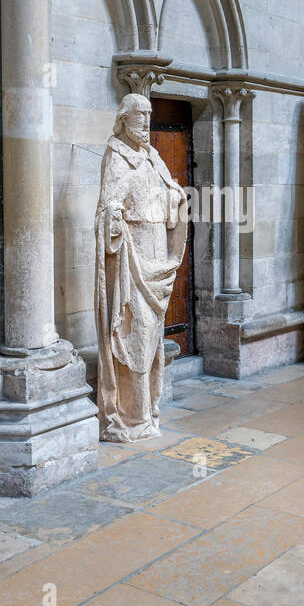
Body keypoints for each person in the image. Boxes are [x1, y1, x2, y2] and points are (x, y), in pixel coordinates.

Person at [95, 94, 188, 442]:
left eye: (150, 115)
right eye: (140, 116)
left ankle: (147, 411)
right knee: (133, 336)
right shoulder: (116, 157)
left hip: (156, 258)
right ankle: (130, 416)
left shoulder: (154, 159)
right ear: (124, 118)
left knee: (152, 340)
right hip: (132, 262)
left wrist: (175, 196)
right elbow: (106, 210)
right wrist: (115, 220)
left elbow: (168, 201)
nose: (147, 123)